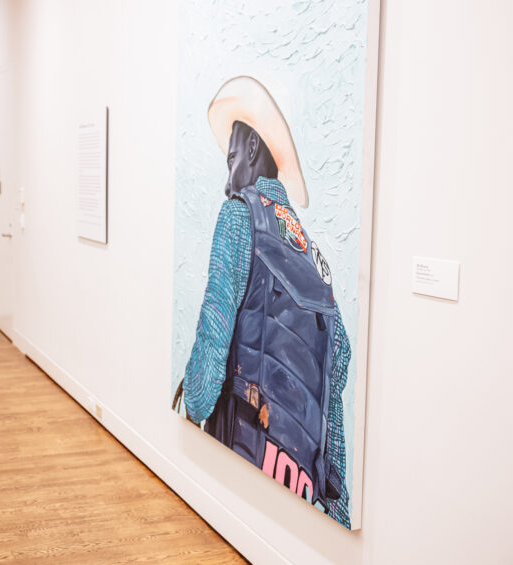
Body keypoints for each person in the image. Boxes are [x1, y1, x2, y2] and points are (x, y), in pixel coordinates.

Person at [179, 76, 351, 528]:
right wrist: (335, 501)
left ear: (252, 148)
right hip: (299, 484)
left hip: (241, 449)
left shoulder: (240, 215)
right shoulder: (312, 254)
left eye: (231, 157)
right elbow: (341, 358)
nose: (227, 176)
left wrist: (192, 399)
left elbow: (210, 348)